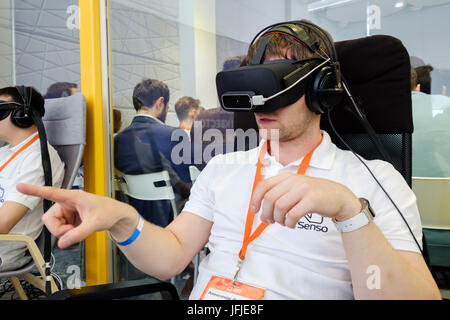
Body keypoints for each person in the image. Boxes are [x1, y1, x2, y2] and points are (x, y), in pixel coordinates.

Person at [18, 21, 441, 299]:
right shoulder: (224, 169)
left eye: (279, 83)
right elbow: (172, 256)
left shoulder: (371, 180)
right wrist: (123, 221)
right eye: (252, 83)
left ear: (322, 90)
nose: (261, 100)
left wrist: (349, 212)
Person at [0, 86, 64, 272]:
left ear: (22, 115)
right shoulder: (4, 152)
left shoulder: (38, 158)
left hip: (5, 248)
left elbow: (3, 224)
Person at [114, 79, 191, 227]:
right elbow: (186, 186)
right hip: (169, 221)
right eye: (167, 107)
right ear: (160, 102)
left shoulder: (118, 140)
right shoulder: (175, 135)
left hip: (130, 221)